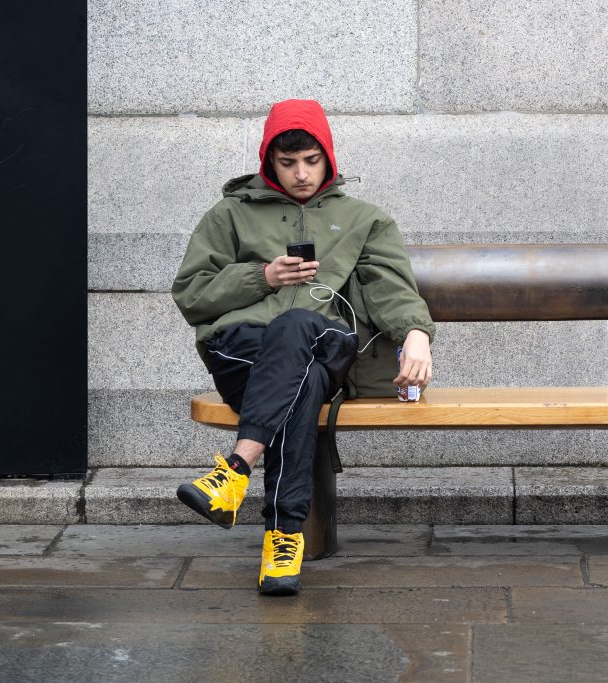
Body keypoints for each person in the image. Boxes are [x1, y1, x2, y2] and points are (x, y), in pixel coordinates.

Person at [171, 99, 434, 595]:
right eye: (287, 162)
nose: (301, 174)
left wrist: (415, 332)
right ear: (268, 160)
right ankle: (284, 536)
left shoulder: (364, 219)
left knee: (298, 326)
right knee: (303, 382)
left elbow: (392, 287)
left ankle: (235, 471)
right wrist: (261, 276)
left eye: (311, 161)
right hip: (241, 347)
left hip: (326, 339)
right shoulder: (229, 215)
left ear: (328, 158)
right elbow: (191, 294)